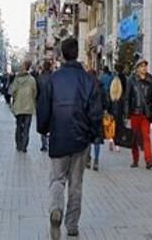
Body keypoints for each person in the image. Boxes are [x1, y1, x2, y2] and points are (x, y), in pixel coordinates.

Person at [36, 38, 102, 239]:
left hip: (59, 136)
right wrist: (94, 135)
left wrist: (43, 130)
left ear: (62, 54)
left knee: (57, 179)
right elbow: (96, 112)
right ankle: (72, 225)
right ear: (78, 53)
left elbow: (43, 108)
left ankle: (56, 209)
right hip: (80, 140)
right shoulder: (88, 80)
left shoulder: (53, 80)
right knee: (76, 184)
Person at [124, 58, 152, 169]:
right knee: (134, 137)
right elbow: (127, 97)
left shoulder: (150, 79)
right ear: (137, 68)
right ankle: (135, 159)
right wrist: (126, 113)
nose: (144, 68)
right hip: (134, 112)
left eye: (145, 66)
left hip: (145, 113)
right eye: (141, 66)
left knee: (146, 137)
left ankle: (149, 160)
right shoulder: (132, 80)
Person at [9, 60, 37, 153]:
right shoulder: (32, 80)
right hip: (29, 107)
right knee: (26, 128)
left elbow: (12, 92)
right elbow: (35, 93)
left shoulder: (17, 80)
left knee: (18, 127)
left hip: (19, 107)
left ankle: (18, 145)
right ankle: (24, 146)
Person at [87, 68, 110, 171]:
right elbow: (106, 101)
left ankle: (88, 159)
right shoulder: (101, 86)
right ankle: (96, 160)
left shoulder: (86, 87)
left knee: (87, 138)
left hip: (87, 116)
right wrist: (105, 109)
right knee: (97, 138)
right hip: (98, 115)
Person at [36, 60, 53, 152]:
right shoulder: (53, 78)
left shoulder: (39, 78)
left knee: (42, 125)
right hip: (52, 104)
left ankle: (44, 145)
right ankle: (51, 143)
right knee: (51, 125)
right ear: (50, 67)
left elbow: (36, 93)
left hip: (41, 103)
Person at [106, 70, 123, 152]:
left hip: (112, 112)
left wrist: (107, 112)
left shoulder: (110, 96)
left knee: (111, 128)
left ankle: (111, 140)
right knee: (118, 129)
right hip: (119, 113)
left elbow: (108, 105)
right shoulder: (121, 97)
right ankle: (117, 146)